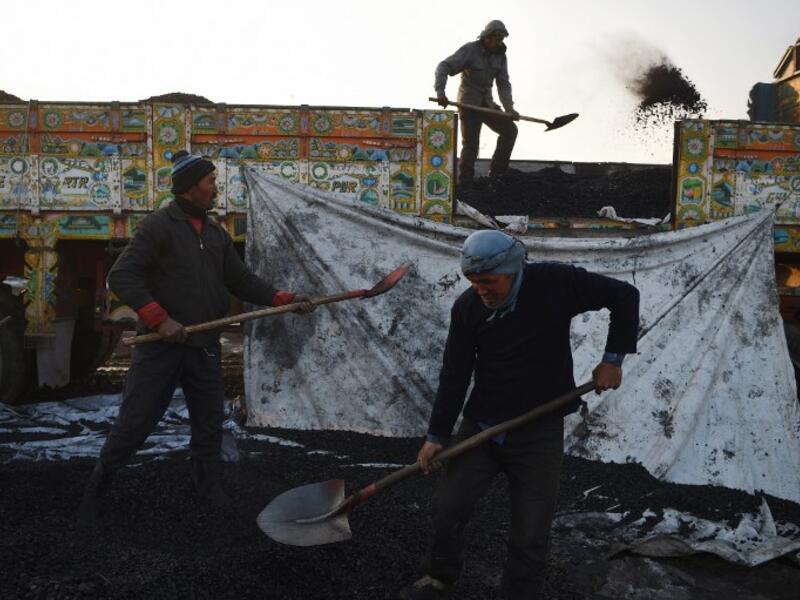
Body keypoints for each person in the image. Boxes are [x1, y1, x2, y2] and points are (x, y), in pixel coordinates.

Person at [77, 150, 315, 524]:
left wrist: (283, 299)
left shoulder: (215, 234)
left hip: (203, 347)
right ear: (190, 188)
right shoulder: (159, 227)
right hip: (162, 349)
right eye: (210, 182)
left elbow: (240, 280)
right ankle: (97, 489)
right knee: (135, 422)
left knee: (208, 423)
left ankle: (207, 489)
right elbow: (122, 277)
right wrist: (159, 319)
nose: (216, 188)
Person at [400, 230, 639, 600]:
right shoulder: (468, 309)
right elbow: (455, 373)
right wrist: (436, 436)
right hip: (482, 426)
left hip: (538, 432)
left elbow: (624, 296)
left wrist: (612, 360)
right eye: (473, 282)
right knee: (448, 507)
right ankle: (438, 576)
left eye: (488, 281)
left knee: (531, 531)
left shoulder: (557, 284)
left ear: (512, 269)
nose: (481, 290)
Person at [434, 20, 520, 185]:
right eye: (497, 39)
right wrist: (440, 92)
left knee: (510, 131)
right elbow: (443, 67)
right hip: (469, 103)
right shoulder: (470, 50)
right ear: (487, 37)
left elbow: (503, 83)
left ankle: (496, 174)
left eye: (502, 39)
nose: (499, 43)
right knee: (471, 143)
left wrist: (509, 108)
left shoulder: (500, 56)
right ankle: (466, 181)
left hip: (487, 104)